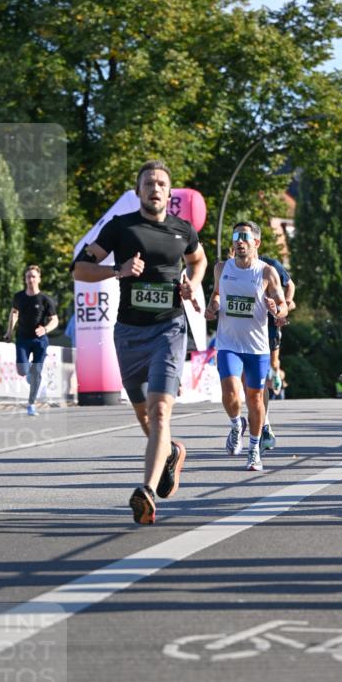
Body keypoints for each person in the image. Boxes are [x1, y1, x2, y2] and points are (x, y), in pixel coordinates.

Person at [73, 159, 207, 524]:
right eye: (148, 182)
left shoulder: (183, 230)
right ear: (138, 191)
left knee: (160, 410)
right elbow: (80, 269)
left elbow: (200, 260)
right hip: (129, 333)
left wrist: (192, 284)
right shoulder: (120, 228)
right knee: (145, 416)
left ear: (169, 191)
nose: (155, 188)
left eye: (161, 183)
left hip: (169, 328)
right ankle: (171, 452)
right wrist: (116, 270)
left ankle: (146, 492)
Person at [205, 220, 287, 472]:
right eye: (236, 236)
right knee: (230, 392)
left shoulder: (266, 272)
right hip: (229, 343)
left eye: (245, 237)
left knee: (254, 399)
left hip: (257, 347)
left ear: (256, 243)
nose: (239, 241)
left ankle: (253, 449)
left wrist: (277, 309)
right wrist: (213, 306)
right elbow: (216, 295)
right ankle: (235, 424)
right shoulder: (221, 268)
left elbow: (283, 305)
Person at [5, 265, 59, 415]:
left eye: (33, 276)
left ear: (39, 279)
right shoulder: (19, 297)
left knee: (36, 372)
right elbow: (14, 313)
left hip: (40, 341)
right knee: (23, 370)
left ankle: (31, 404)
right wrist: (9, 331)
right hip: (22, 338)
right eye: (28, 276)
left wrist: (45, 329)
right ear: (25, 279)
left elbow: (55, 320)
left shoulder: (45, 299)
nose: (31, 279)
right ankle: (29, 374)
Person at [259, 254, 295, 451]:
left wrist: (285, 306)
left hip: (270, 322)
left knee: (272, 365)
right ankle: (261, 423)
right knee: (253, 378)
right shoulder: (230, 267)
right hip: (246, 328)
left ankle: (277, 372)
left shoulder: (271, 265)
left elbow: (291, 285)